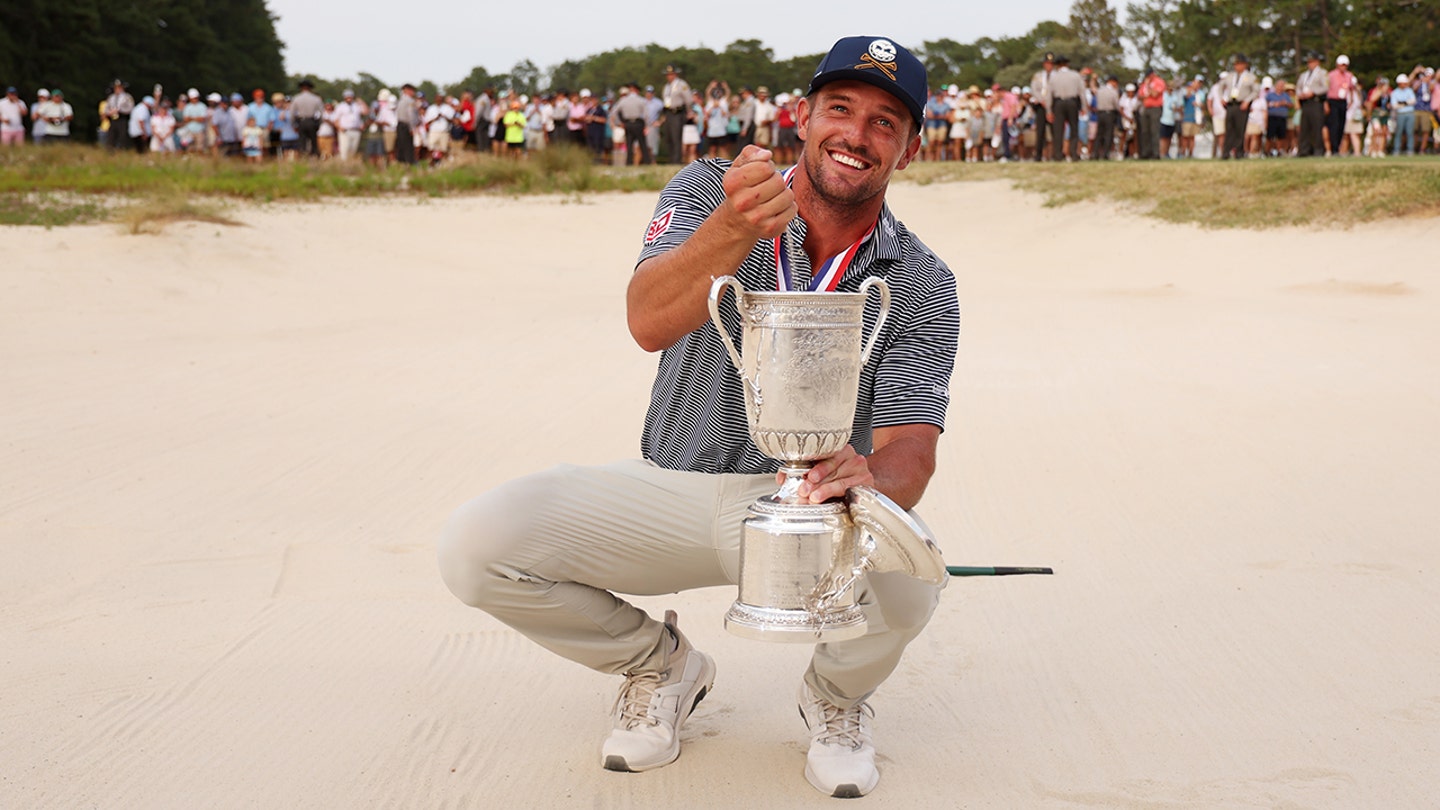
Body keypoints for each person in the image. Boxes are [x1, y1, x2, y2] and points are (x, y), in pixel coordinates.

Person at [439, 34, 957, 800]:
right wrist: (736, 226)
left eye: (886, 121)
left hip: (806, 514)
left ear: (909, 150)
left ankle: (836, 699)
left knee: (915, 572)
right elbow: (647, 319)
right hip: (670, 490)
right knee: (476, 546)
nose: (857, 134)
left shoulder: (921, 279)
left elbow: (912, 448)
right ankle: (660, 665)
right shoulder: (709, 188)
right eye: (840, 109)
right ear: (802, 118)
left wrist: (868, 479)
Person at [1214, 55, 1259, 159]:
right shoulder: (1229, 76)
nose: (1237, 66)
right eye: (1235, 64)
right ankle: (1225, 152)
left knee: (1240, 129)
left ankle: (1239, 152)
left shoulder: (1251, 77)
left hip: (1242, 104)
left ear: (1244, 65)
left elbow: (1256, 91)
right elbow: (1220, 86)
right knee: (1229, 129)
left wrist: (1247, 101)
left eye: (1239, 64)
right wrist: (1221, 98)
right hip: (1230, 104)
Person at [1326, 55, 1357, 156]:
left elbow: (1352, 88)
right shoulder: (1331, 75)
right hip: (1333, 101)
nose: (1343, 67)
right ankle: (1333, 148)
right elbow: (1326, 89)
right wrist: (1326, 103)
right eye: (1341, 65)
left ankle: (1338, 147)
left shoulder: (1349, 76)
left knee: (1341, 125)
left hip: (1343, 102)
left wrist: (1351, 100)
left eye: (1345, 65)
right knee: (1333, 125)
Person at [661, 65, 691, 164]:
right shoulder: (666, 86)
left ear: (675, 74)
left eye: (671, 74)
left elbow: (688, 99)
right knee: (669, 137)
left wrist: (689, 111)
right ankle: (671, 158)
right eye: (668, 74)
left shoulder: (681, 84)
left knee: (676, 137)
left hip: (677, 112)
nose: (669, 76)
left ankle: (677, 160)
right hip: (668, 112)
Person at [1030, 52, 1055, 160]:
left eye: (1051, 63)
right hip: (1041, 106)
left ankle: (1056, 154)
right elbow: (1034, 89)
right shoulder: (1038, 76)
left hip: (1053, 106)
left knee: (1055, 132)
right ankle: (1038, 155)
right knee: (1040, 132)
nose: (1049, 66)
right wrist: (1042, 100)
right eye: (1047, 63)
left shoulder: (1057, 76)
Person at [291, 79, 323, 157]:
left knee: (302, 141)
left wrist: (293, 124)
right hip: (312, 121)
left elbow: (292, 113)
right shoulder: (316, 98)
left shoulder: (296, 98)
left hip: (301, 121)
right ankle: (314, 155)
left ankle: (303, 155)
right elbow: (321, 113)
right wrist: (319, 123)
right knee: (313, 141)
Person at [1390, 73, 1417, 156]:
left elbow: (1413, 101)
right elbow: (1394, 106)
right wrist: (1406, 103)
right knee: (1399, 132)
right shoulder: (1395, 92)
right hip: (1400, 114)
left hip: (1410, 113)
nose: (1405, 84)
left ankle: (1410, 150)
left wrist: (1402, 103)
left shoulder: (1409, 90)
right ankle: (1397, 149)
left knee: (1410, 132)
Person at [104, 80, 135, 150]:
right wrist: (110, 112)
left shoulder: (127, 97)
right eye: (116, 88)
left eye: (119, 87)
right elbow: (106, 108)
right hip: (113, 118)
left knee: (122, 136)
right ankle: (110, 150)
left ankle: (122, 150)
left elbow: (130, 108)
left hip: (122, 118)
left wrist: (120, 110)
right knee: (111, 136)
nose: (117, 89)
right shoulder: (111, 97)